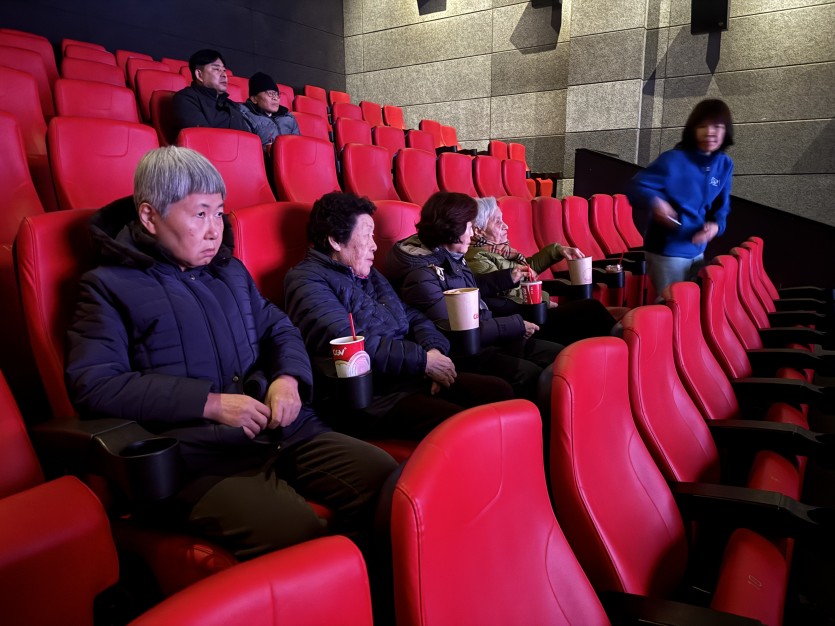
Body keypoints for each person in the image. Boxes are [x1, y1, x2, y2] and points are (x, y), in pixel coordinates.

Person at [65, 147, 397, 561]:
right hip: (196, 457)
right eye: (200, 214)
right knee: (297, 532)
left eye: (219, 213)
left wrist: (288, 379)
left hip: (277, 430)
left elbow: (279, 328)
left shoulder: (229, 270)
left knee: (387, 480)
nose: (214, 230)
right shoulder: (107, 286)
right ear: (149, 217)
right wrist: (210, 404)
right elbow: (95, 383)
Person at [284, 192, 514, 439]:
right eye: (366, 236)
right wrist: (423, 361)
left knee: (498, 392)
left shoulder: (367, 273)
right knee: (463, 428)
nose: (374, 245)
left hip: (408, 373)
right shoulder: (306, 281)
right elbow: (351, 346)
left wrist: (433, 351)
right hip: (373, 395)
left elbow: (412, 315)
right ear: (335, 241)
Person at [386, 191, 564, 403]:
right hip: (464, 350)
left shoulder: (450, 255)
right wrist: (515, 325)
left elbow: (469, 288)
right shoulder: (421, 275)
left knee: (557, 355)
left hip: (484, 335)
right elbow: (455, 329)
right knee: (529, 375)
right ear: (452, 230)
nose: (472, 234)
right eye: (469, 227)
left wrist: (508, 277)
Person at [466, 196, 620, 345]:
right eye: (498, 221)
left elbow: (526, 270)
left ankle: (619, 345)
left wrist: (558, 250)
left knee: (589, 312)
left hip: (534, 310)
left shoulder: (499, 250)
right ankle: (623, 345)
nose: (506, 226)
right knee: (590, 309)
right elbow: (503, 296)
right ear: (478, 231)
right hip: (525, 319)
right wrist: (544, 301)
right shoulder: (476, 257)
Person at [627, 98, 735, 295]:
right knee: (671, 303)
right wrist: (656, 202)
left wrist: (716, 226)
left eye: (717, 127)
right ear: (692, 129)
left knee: (691, 303)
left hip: (697, 247)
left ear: (726, 131)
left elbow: (722, 207)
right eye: (702, 126)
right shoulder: (673, 159)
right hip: (667, 249)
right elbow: (636, 186)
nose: (710, 132)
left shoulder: (724, 164)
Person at [171, 49, 250, 136]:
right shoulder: (185, 99)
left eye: (224, 70)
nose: (224, 75)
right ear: (199, 75)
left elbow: (248, 138)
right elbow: (200, 137)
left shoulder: (232, 105)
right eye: (217, 69)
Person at [238, 71, 300, 150]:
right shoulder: (245, 116)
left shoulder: (288, 117)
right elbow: (246, 149)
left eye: (276, 94)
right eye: (270, 93)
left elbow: (298, 146)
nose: (275, 98)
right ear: (254, 99)